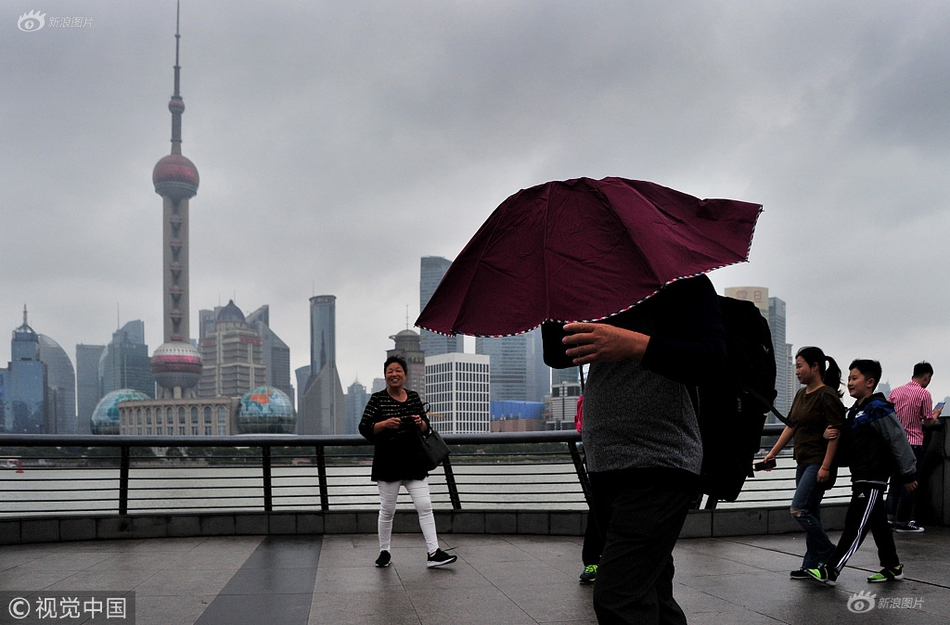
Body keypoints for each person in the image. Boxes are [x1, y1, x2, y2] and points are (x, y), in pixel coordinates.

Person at [561, 274, 726, 625]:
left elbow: (712, 360)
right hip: (606, 463)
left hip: (661, 459)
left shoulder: (685, 283)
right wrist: (556, 293)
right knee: (652, 592)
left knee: (617, 598)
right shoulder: (593, 285)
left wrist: (635, 345)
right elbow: (557, 354)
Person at [805, 359, 918, 586]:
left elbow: (898, 440)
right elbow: (847, 446)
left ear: (870, 382)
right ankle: (892, 567)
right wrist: (827, 436)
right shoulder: (856, 411)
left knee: (854, 526)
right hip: (860, 476)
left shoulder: (878, 408)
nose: (850, 383)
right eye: (849, 378)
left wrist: (909, 473)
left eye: (855, 378)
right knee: (878, 525)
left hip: (872, 478)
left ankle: (831, 570)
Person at [358, 355, 457, 569]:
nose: (394, 374)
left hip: (414, 460)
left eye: (398, 371)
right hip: (388, 461)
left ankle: (433, 552)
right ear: (385, 375)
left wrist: (420, 422)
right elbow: (364, 428)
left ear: (405, 374)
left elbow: (426, 428)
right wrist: (384, 424)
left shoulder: (413, 397)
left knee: (425, 506)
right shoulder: (377, 399)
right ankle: (384, 551)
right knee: (387, 510)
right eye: (390, 371)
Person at [761, 347, 845, 578]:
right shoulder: (801, 394)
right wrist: (773, 452)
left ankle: (830, 552)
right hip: (803, 461)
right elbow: (792, 426)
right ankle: (811, 564)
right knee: (811, 513)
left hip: (818, 463)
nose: (797, 371)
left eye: (800, 366)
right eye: (796, 366)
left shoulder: (826, 394)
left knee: (798, 509)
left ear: (815, 366)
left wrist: (826, 466)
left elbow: (836, 431)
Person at [886, 361, 942, 532]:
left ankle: (888, 521)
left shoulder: (895, 392)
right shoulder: (924, 394)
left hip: (895, 445)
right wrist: (936, 413)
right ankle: (903, 523)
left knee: (894, 483)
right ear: (926, 377)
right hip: (914, 444)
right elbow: (928, 421)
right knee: (910, 483)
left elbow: (888, 414)